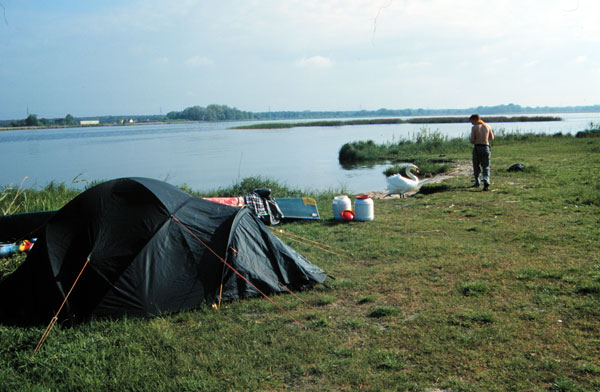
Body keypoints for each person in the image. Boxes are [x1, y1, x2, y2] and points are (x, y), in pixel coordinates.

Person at [469, 114, 494, 191]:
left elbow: (473, 140)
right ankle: (486, 179)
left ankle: (477, 181)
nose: (471, 123)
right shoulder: (487, 126)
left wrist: (472, 140)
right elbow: (492, 138)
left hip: (477, 147)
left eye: (471, 121)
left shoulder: (474, 127)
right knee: (486, 165)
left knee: (476, 165)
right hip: (486, 147)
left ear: (475, 119)